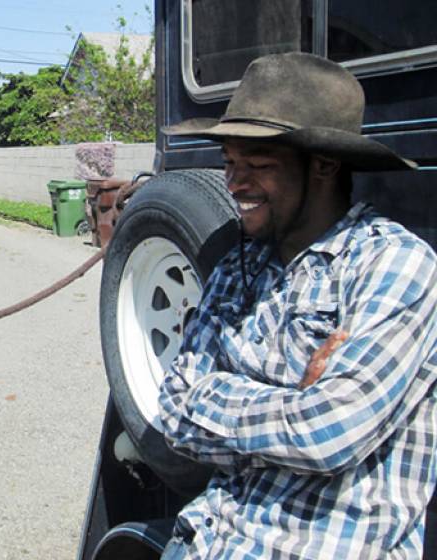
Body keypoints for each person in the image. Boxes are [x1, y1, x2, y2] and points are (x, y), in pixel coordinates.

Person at [157, 52, 437, 558]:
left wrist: (218, 393)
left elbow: (329, 433)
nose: (235, 184)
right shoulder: (237, 269)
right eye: (231, 164)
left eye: (258, 166)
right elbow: (174, 408)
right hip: (206, 537)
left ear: (325, 166)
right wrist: (294, 399)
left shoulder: (393, 265)